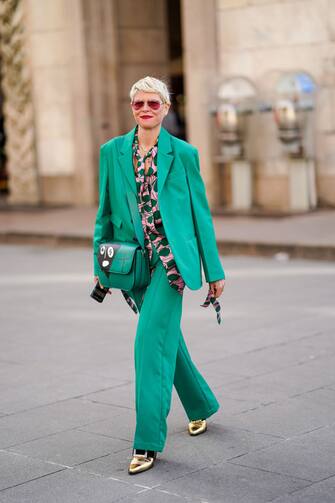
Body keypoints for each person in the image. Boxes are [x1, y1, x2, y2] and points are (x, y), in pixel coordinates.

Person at [93, 76, 225, 475]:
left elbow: (199, 215)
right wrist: (102, 269)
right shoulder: (112, 152)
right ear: (131, 108)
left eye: (153, 103)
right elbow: (104, 215)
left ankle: (147, 442)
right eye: (139, 104)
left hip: (172, 268)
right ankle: (201, 404)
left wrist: (214, 269)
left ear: (166, 109)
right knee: (168, 340)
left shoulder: (183, 154)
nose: (146, 109)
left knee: (150, 345)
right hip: (133, 268)